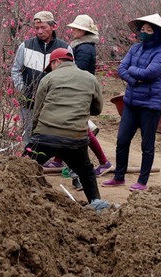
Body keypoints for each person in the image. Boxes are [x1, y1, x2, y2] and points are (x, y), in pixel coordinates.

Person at [24, 48, 109, 211]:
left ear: (56, 62)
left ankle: (11, 197)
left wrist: (34, 137)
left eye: (51, 65)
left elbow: (37, 111)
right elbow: (97, 109)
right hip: (76, 138)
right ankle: (96, 203)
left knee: (22, 167)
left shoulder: (48, 78)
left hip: (46, 136)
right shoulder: (90, 78)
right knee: (86, 170)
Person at [102, 14, 161, 192]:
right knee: (122, 140)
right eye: (143, 29)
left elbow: (149, 73)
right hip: (131, 101)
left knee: (147, 144)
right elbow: (121, 69)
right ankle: (119, 177)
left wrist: (132, 71)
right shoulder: (135, 48)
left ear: (156, 33)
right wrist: (134, 80)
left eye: (149, 30)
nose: (145, 33)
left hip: (150, 105)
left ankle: (142, 181)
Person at [45, 15, 113, 190]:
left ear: (84, 31)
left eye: (76, 28)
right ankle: (61, 160)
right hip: (81, 92)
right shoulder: (83, 46)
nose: (73, 30)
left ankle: (103, 162)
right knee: (76, 128)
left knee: (80, 129)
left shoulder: (84, 49)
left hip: (79, 93)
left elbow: (78, 73)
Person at [11, 11, 70, 144]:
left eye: (43, 27)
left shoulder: (64, 49)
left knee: (52, 134)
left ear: (53, 26)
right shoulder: (25, 46)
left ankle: (47, 161)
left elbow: (70, 75)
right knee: (28, 134)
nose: (39, 31)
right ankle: (29, 161)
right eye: (37, 28)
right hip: (29, 101)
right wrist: (22, 89)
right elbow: (16, 70)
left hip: (53, 102)